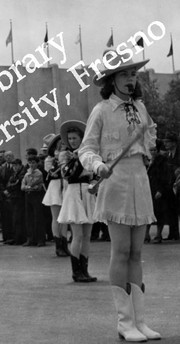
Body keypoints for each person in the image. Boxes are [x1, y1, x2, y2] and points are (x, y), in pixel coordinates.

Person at [79, 51, 160, 341]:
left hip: (140, 179)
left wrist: (147, 154)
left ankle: (140, 321)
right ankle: (124, 323)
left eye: (133, 75)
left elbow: (149, 133)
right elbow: (85, 149)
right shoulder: (101, 110)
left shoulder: (140, 108)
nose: (131, 79)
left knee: (138, 253)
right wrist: (97, 165)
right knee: (122, 251)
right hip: (115, 182)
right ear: (112, 80)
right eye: (125, 74)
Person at [57, 121, 97, 282]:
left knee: (87, 235)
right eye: (70, 138)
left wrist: (94, 183)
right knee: (77, 235)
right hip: (74, 193)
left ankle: (84, 269)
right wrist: (78, 158)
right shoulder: (68, 156)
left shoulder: (89, 154)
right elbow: (69, 175)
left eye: (75, 138)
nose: (72, 141)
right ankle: (76, 271)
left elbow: (94, 173)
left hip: (87, 192)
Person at [42, 134, 70, 257]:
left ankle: (64, 244)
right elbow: (51, 172)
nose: (63, 145)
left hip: (66, 185)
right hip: (55, 186)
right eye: (60, 143)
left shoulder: (69, 155)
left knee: (64, 218)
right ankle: (58, 245)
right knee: (56, 217)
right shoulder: (50, 159)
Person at [145, 141, 171, 244]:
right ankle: (146, 234)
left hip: (158, 190)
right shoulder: (145, 160)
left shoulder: (162, 161)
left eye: (155, 150)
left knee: (159, 213)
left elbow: (165, 177)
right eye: (151, 150)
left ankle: (158, 234)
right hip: (148, 190)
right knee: (147, 213)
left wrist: (161, 190)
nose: (153, 152)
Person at [21, 156, 45, 246]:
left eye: (33, 163)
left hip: (37, 196)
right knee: (29, 218)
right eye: (30, 163)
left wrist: (28, 186)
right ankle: (31, 238)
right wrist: (28, 187)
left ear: (37, 163)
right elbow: (22, 186)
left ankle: (40, 239)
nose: (31, 165)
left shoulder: (38, 173)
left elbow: (31, 183)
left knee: (38, 218)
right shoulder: (26, 173)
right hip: (28, 196)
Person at [161, 132, 180, 240]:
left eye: (168, 142)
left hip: (178, 184)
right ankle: (173, 233)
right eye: (165, 142)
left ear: (174, 143)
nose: (166, 144)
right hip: (170, 185)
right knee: (171, 210)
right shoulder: (168, 154)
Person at [0, 151, 16, 244]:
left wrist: (9, 191)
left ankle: (13, 237)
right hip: (3, 195)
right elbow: (0, 181)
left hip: (12, 194)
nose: (8, 157)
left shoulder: (15, 167)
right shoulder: (2, 168)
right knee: (4, 217)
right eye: (7, 156)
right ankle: (6, 236)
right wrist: (3, 190)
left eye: (10, 156)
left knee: (12, 216)